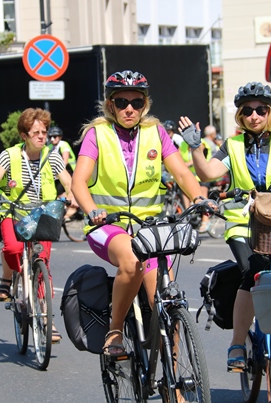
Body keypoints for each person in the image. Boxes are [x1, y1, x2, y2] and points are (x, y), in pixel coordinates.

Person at [71, 70, 207, 366]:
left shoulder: (156, 132)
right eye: (121, 102)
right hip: (108, 226)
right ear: (110, 105)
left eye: (136, 102)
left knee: (166, 299)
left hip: (150, 229)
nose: (129, 108)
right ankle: (115, 331)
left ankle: (174, 379)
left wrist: (199, 198)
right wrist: (92, 210)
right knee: (132, 262)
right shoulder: (97, 134)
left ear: (145, 104)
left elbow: (182, 172)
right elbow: (78, 182)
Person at [179, 81, 271, 372]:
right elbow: (208, 173)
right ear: (240, 115)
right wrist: (195, 148)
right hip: (243, 221)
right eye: (248, 111)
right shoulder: (233, 145)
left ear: (270, 113)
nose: (254, 116)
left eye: (261, 110)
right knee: (252, 272)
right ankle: (237, 343)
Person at [0, 108, 74, 343]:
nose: (42, 136)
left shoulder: (52, 156)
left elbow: (68, 181)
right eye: (36, 133)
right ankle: (8, 278)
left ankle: (47, 320)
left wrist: (71, 195)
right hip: (13, 211)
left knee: (42, 264)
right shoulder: (9, 155)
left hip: (43, 214)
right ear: (24, 135)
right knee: (12, 249)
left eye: (44, 132)